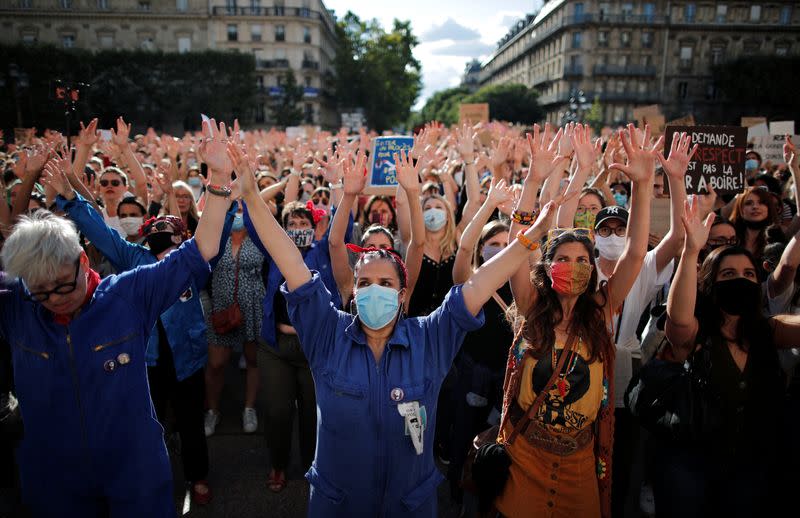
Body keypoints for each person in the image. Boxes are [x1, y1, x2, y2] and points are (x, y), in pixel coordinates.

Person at [228, 141, 570, 517]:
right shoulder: (327, 334)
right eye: (366, 283)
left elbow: (480, 283)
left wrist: (527, 228)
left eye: (386, 284)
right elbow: (288, 257)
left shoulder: (430, 338)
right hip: (338, 505)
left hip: (409, 505)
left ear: (403, 293)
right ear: (353, 292)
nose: (375, 290)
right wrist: (249, 196)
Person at [0, 117, 233, 517]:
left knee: (189, 422)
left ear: (81, 261)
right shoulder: (16, 306)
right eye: (41, 292)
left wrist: (221, 177)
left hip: (134, 478)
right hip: (54, 483)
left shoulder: (128, 292)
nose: (55, 300)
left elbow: (205, 246)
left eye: (63, 286)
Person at [495, 124, 656, 518]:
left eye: (583, 260)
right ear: (546, 267)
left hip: (580, 466)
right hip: (524, 461)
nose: (574, 266)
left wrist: (643, 184)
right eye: (563, 259)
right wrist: (533, 180)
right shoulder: (531, 308)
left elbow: (635, 253)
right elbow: (520, 246)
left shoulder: (601, 310)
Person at [659, 198, 800, 517]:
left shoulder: (767, 331)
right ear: (711, 282)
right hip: (691, 468)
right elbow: (678, 317)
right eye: (729, 274)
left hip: (749, 468)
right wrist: (691, 251)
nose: (741, 280)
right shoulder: (693, 333)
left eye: (749, 274)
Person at [204, 204, 266, 436]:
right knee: (217, 363)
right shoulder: (216, 237)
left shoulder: (260, 235)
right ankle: (212, 411)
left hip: (253, 306)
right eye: (235, 206)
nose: (239, 212)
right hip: (221, 306)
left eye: (243, 207)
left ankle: (249, 408)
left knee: (253, 360)